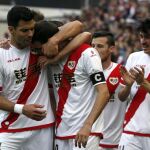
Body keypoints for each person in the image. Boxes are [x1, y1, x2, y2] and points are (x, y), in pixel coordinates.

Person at [0, 6, 83, 150]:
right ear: (11, 30)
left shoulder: (40, 46)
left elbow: (81, 28)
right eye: (25, 30)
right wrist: (22, 109)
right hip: (11, 129)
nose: (30, 34)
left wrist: (54, 41)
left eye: (32, 29)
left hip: (43, 128)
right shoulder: (2, 54)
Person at [31, 20, 110, 150]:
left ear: (52, 42)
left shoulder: (87, 53)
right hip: (61, 131)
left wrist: (87, 125)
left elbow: (103, 92)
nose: (39, 53)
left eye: (40, 49)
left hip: (84, 132)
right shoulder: (48, 62)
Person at [91, 31, 127, 150]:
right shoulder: (83, 73)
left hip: (114, 142)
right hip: (87, 138)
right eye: (93, 46)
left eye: (100, 46)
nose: (94, 50)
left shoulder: (122, 73)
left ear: (111, 48)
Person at [118, 18, 150, 150]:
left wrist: (143, 82)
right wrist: (129, 85)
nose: (143, 41)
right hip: (131, 131)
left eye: (148, 37)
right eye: (141, 36)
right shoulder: (134, 57)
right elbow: (121, 97)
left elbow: (143, 84)